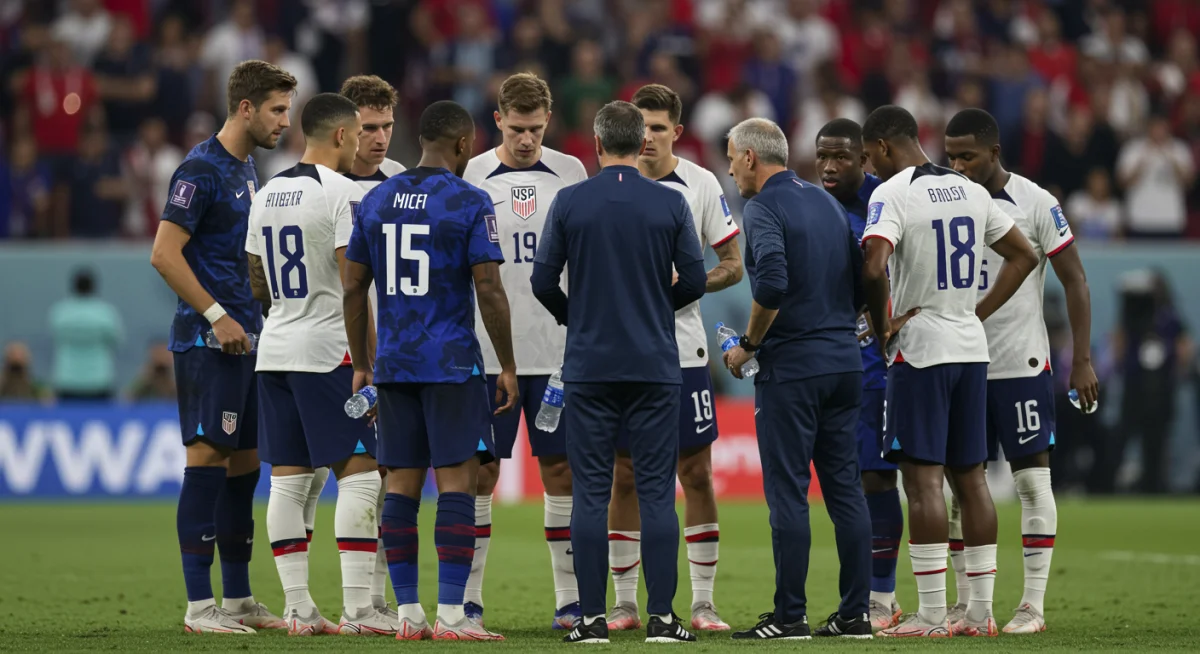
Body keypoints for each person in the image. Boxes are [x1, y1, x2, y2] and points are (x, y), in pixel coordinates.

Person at [859, 105, 1038, 638]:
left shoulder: (893, 192)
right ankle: (980, 613)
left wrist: (882, 325)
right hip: (970, 347)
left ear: (884, 147)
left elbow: (874, 265)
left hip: (921, 351)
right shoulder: (970, 189)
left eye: (869, 156)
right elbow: (1023, 256)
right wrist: (975, 312)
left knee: (922, 483)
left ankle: (933, 614)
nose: (869, 167)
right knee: (972, 480)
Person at [531, 101, 704, 644]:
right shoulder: (671, 201)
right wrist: (656, 307)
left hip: (590, 365)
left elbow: (541, 282)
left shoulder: (570, 200)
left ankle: (590, 620)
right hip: (655, 365)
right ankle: (663, 619)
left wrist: (576, 316)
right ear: (642, 143)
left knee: (590, 492)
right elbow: (695, 280)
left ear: (598, 144)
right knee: (656, 493)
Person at [342, 99, 517, 641]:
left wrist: (363, 363)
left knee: (400, 486)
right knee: (459, 483)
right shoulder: (469, 199)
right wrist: (508, 364)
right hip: (450, 363)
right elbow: (488, 287)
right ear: (463, 144)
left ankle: (408, 614)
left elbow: (353, 287)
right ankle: (453, 615)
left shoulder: (376, 199)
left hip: (394, 365)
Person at [149, 59, 296, 634]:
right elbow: (164, 254)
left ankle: (237, 599)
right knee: (207, 459)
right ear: (246, 108)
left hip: (249, 341)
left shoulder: (247, 167)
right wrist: (216, 316)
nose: (285, 121)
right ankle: (198, 606)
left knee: (245, 465)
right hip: (207, 342)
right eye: (277, 110)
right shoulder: (200, 169)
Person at [244, 92, 394, 636]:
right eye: (358, 134)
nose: (362, 144)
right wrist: (368, 361)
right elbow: (354, 285)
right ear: (341, 135)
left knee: (288, 480)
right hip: (330, 351)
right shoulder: (342, 192)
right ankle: (360, 610)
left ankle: (299, 609)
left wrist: (287, 313)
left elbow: (255, 276)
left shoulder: (267, 191)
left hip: (276, 349)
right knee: (361, 474)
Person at [944, 108, 1099, 634]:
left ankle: (1032, 605)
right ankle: (968, 605)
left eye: (967, 156)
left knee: (1032, 483)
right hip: (958, 362)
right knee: (958, 491)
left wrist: (1081, 359)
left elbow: (1075, 280)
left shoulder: (1037, 202)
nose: (958, 166)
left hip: (1020, 362)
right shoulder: (945, 198)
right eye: (951, 157)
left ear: (994, 151)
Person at [717, 118, 871, 640]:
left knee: (788, 494)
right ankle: (855, 614)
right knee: (845, 491)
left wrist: (748, 345)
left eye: (732, 158)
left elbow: (773, 283)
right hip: (844, 363)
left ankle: (789, 616)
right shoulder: (828, 203)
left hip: (793, 370)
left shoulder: (763, 207)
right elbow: (863, 277)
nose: (730, 169)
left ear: (751, 158)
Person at [605, 83, 743, 634]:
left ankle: (703, 602)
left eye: (658, 128)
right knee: (624, 475)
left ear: (677, 132)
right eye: (640, 127)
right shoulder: (611, 183)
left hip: (685, 351)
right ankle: (624, 603)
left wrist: (685, 286)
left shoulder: (701, 184)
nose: (647, 137)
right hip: (622, 350)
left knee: (697, 473)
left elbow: (732, 263)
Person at [461, 72, 588, 630]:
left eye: (535, 128)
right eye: (516, 129)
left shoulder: (572, 172)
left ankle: (569, 601)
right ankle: (468, 600)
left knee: (561, 471)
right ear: (498, 121)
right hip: (490, 357)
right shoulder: (472, 174)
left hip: (556, 353)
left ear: (548, 121)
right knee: (481, 474)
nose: (527, 139)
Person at [813, 118, 906, 631]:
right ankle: (865, 594)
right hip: (832, 361)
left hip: (882, 363)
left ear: (864, 159)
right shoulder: (812, 202)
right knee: (846, 480)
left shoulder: (887, 200)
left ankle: (882, 596)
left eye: (841, 157)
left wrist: (890, 320)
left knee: (877, 476)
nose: (829, 167)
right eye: (822, 156)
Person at [339, 72, 407, 622]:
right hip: (335, 353)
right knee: (315, 477)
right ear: (344, 127)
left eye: (386, 125)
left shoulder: (402, 182)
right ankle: (310, 600)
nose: (380, 137)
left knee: (387, 478)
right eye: (368, 127)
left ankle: (376, 598)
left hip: (394, 354)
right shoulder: (322, 183)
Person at [49, 269, 124, 401]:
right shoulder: (105, 314)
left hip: (67, 378)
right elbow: (117, 339)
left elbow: (53, 336)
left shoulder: (60, 312)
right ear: (94, 287)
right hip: (99, 379)